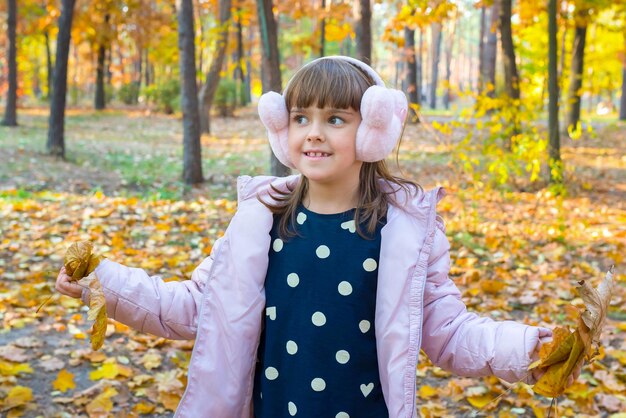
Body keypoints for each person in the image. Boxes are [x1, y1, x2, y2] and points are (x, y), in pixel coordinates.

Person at [56, 56, 554, 418]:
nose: (313, 132)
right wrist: (104, 284)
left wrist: (527, 349)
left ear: (373, 132)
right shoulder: (259, 223)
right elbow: (193, 306)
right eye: (301, 118)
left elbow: (448, 332)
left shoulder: (401, 233)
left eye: (335, 119)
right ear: (282, 129)